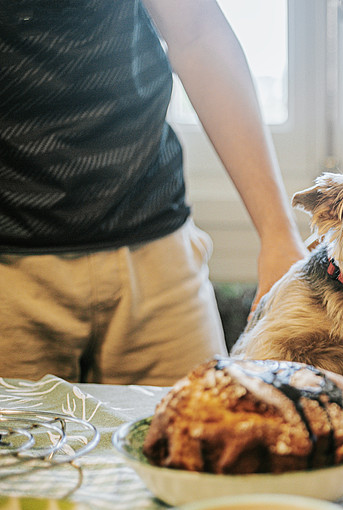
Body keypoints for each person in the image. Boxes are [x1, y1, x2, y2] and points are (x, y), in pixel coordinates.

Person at [0, 0, 306, 386]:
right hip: (10, 272)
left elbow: (197, 34)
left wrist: (278, 233)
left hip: (157, 256)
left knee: (209, 431)